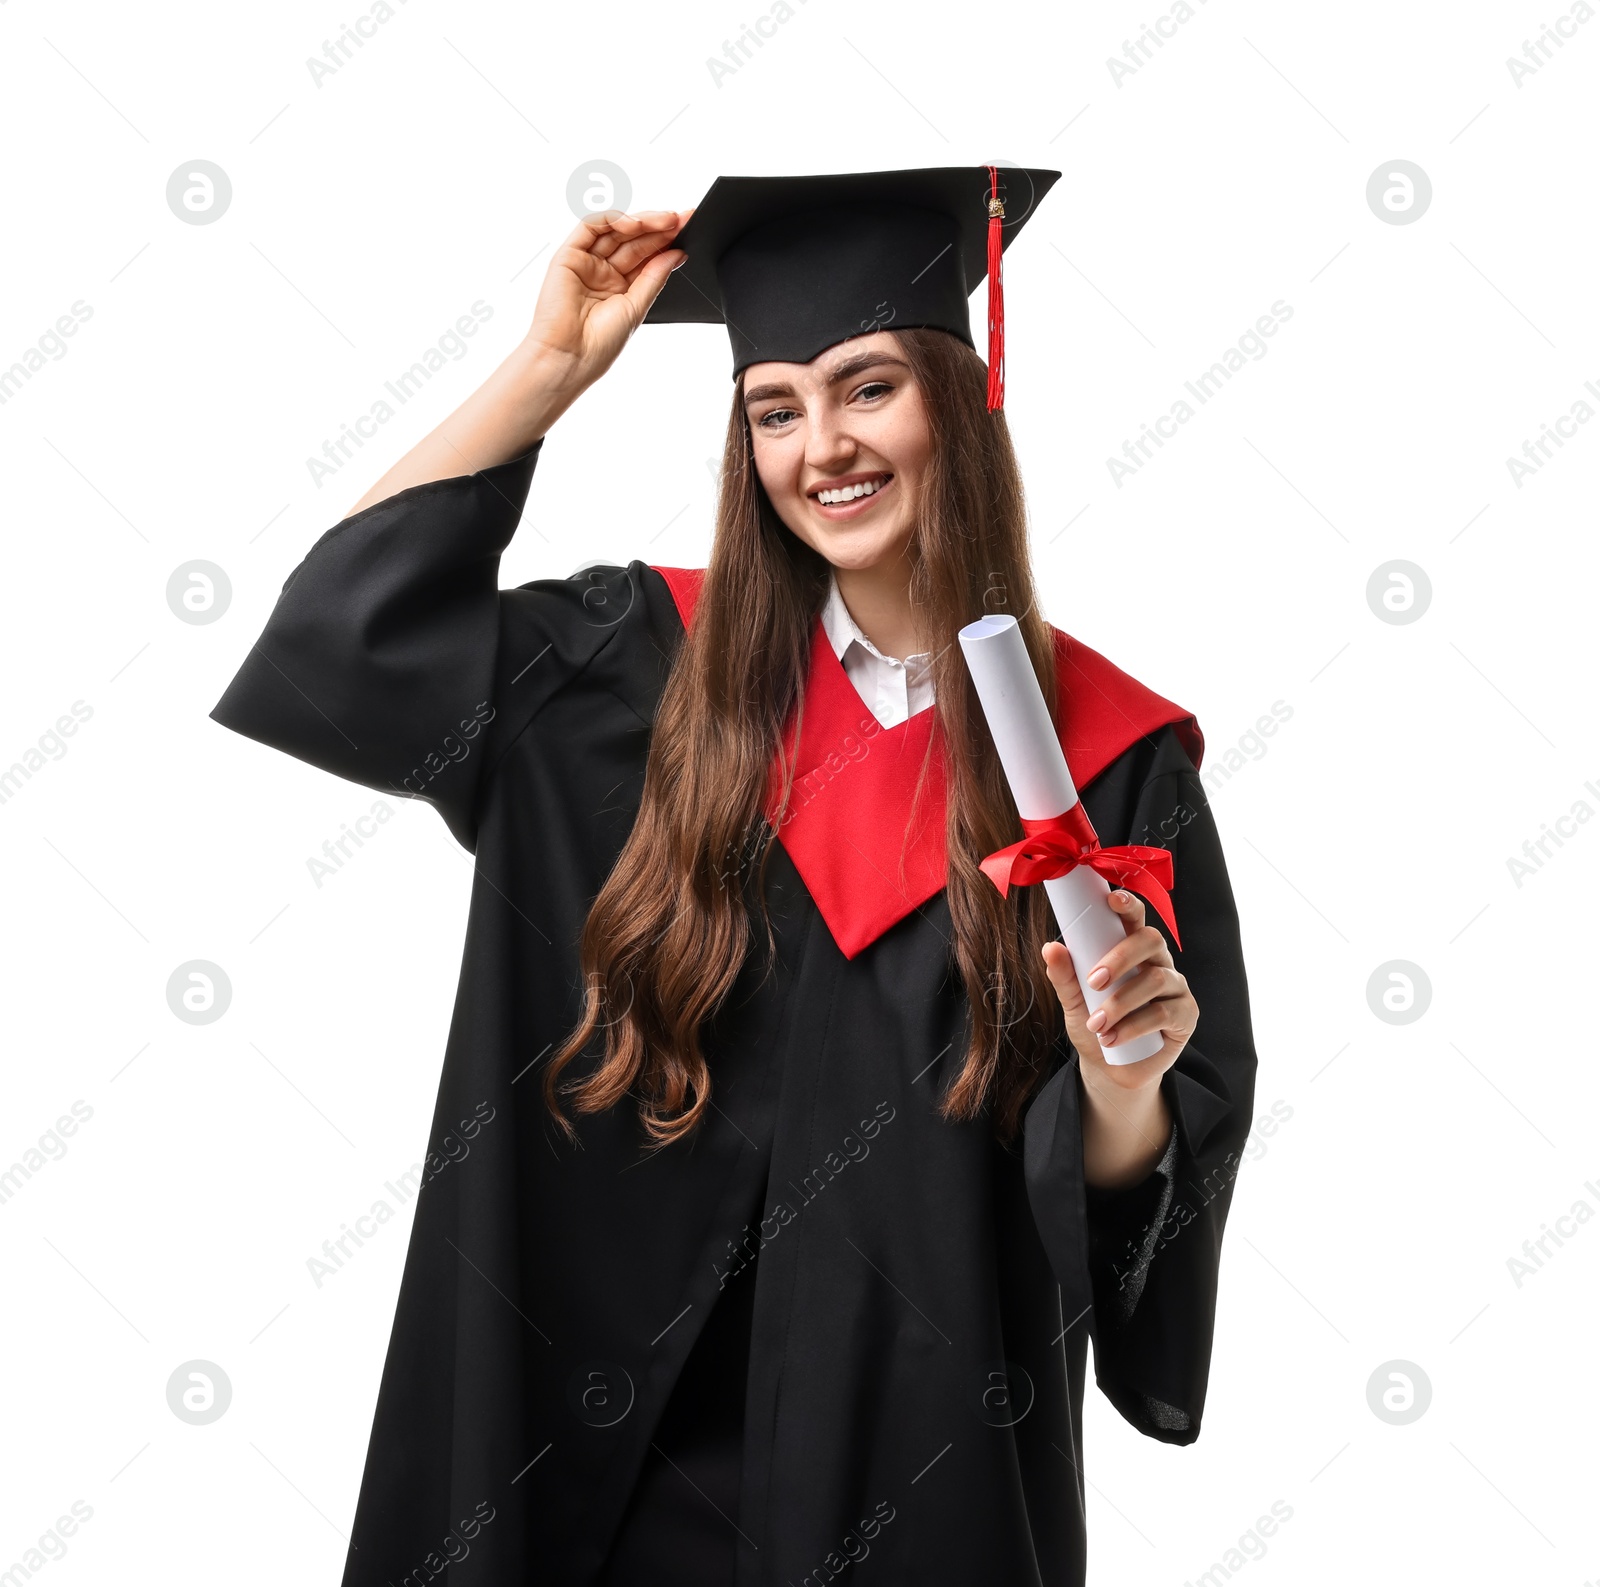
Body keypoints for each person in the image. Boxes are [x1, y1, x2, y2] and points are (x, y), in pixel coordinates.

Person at [211, 165, 1258, 1587]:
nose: (821, 444)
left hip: (912, 1477)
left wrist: (1123, 1077)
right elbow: (336, 654)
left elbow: (1148, 1194)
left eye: (868, 387)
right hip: (598, 1490)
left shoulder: (1107, 767)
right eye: (775, 406)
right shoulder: (627, 671)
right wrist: (547, 371)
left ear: (961, 396)